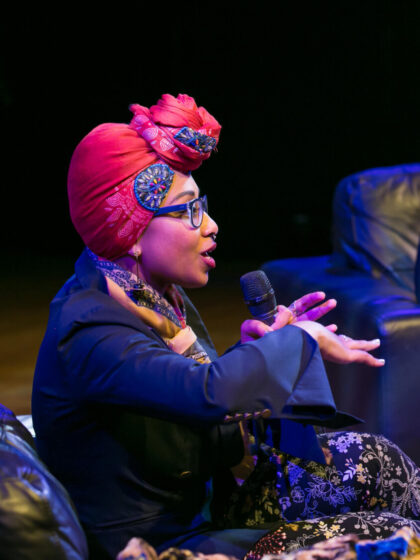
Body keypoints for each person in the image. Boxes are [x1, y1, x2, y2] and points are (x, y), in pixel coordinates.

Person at [32, 93, 420, 560]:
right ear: (131, 232)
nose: (211, 225)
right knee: (392, 534)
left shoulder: (152, 294)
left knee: (377, 462)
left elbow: (186, 401)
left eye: (204, 205)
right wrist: (298, 340)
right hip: (166, 544)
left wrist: (259, 352)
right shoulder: (89, 327)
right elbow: (203, 393)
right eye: (188, 210)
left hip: (210, 502)